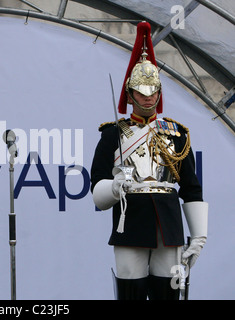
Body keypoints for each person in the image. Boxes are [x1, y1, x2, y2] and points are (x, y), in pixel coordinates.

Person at [90, 22, 208, 300]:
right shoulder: (112, 135)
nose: (148, 97)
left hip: (168, 225)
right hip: (130, 222)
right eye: (141, 92)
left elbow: (191, 187)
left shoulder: (177, 134)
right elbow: (96, 191)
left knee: (167, 293)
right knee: (130, 292)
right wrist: (115, 186)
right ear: (130, 95)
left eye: (153, 90)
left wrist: (199, 237)